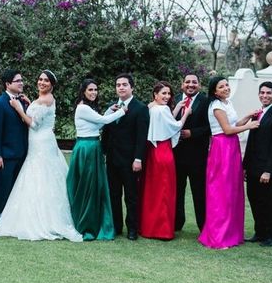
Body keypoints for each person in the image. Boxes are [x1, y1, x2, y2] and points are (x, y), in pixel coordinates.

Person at [0, 70, 82, 242]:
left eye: (46, 81)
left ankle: (45, 219)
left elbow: (33, 124)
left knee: (42, 177)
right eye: (40, 79)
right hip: (35, 143)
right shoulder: (37, 99)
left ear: (52, 84)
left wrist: (20, 109)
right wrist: (27, 103)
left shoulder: (46, 99)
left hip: (41, 142)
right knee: (34, 177)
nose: (42, 83)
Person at [198, 76, 259, 249]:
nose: (226, 88)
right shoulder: (216, 106)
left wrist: (247, 116)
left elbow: (234, 124)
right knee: (221, 191)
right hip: (222, 147)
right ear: (214, 91)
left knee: (232, 190)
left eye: (226, 85)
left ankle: (232, 233)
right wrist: (250, 126)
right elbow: (227, 130)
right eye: (221, 86)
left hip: (232, 147)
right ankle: (218, 236)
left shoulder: (227, 103)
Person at [66, 79, 126, 241]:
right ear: (83, 91)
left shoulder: (88, 108)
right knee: (87, 185)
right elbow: (103, 121)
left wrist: (108, 110)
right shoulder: (83, 107)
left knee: (94, 185)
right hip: (87, 148)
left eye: (95, 90)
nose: (93, 92)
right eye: (90, 90)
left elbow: (97, 124)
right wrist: (122, 111)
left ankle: (94, 219)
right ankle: (86, 223)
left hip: (93, 146)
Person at [140, 81, 190, 240]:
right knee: (164, 189)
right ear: (155, 94)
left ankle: (149, 227)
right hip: (164, 152)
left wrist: (175, 109)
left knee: (153, 190)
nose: (167, 96)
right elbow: (174, 126)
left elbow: (165, 121)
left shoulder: (151, 107)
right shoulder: (162, 109)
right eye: (163, 93)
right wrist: (186, 113)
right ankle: (162, 230)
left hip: (153, 152)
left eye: (169, 94)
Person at [101, 73, 149, 240]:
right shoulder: (112, 106)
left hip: (130, 161)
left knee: (131, 196)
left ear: (132, 87)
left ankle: (132, 229)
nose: (121, 87)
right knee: (113, 194)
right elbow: (106, 131)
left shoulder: (140, 108)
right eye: (118, 85)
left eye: (124, 84)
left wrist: (138, 159)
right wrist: (103, 151)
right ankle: (116, 226)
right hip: (112, 160)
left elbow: (141, 137)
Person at [243, 81, 272, 247]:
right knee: (254, 200)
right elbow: (251, 144)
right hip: (253, 168)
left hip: (266, 170)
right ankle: (260, 232)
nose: (265, 96)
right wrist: (244, 167)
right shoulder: (257, 114)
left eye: (269, 93)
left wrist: (268, 171)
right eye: (262, 93)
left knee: (268, 202)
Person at [0, 69, 29, 225]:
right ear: (8, 84)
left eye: (21, 80)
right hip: (6, 155)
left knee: (17, 189)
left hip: (23, 153)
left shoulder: (23, 102)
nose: (21, 83)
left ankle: (13, 220)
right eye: (17, 81)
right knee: (4, 189)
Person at [172, 73, 210, 232]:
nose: (191, 85)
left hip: (197, 157)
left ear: (199, 85)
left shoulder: (206, 102)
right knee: (177, 192)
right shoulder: (173, 101)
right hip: (176, 156)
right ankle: (177, 223)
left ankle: (203, 226)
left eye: (194, 82)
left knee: (199, 192)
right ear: (182, 85)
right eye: (187, 82)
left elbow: (211, 127)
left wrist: (192, 133)